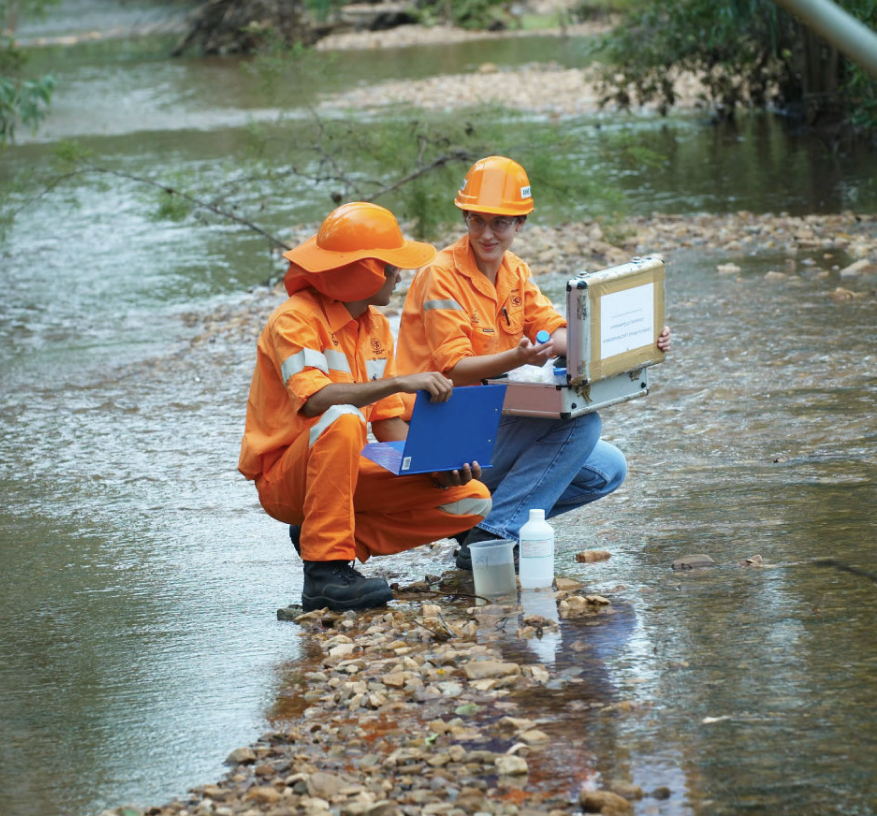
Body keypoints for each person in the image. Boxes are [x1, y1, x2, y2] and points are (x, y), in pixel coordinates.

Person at [392, 156, 672, 569]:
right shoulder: (441, 275)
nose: (487, 234)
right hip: (441, 432)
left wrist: (642, 341)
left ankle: (483, 525)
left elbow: (561, 335)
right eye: (477, 221)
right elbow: (451, 369)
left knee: (608, 468)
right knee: (582, 425)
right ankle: (493, 536)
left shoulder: (515, 273)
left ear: (520, 224)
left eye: (500, 224)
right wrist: (518, 356)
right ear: (465, 217)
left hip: (489, 422)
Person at [238, 202, 493, 611]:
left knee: (472, 498)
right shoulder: (293, 321)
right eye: (390, 266)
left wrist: (435, 462)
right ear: (364, 272)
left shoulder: (374, 326)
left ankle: (326, 536)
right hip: (286, 479)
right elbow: (316, 400)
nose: (398, 274)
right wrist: (398, 381)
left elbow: (389, 425)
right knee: (340, 416)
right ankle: (326, 572)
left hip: (344, 471)